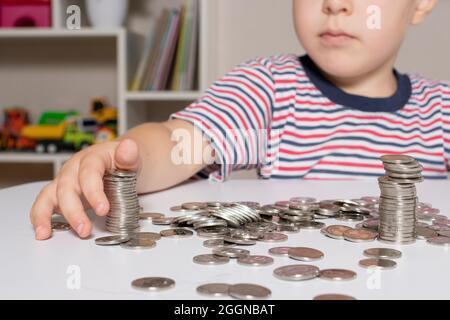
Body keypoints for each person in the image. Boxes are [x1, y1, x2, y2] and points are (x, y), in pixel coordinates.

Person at [30, 0, 448, 240]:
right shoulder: (268, 89)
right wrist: (123, 161)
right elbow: (182, 144)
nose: (334, 4)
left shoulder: (443, 108)